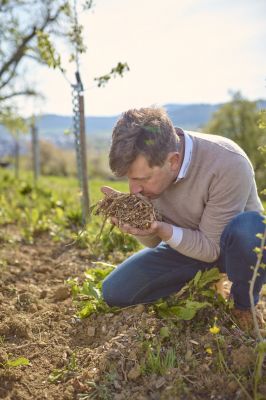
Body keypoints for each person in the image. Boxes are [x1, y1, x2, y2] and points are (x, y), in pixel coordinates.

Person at [101, 107, 266, 330]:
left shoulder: (227, 162)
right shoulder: (147, 168)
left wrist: (162, 229)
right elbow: (155, 240)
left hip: (231, 250)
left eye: (142, 179)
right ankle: (199, 288)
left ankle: (243, 305)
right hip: (185, 245)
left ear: (173, 161)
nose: (134, 189)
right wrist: (141, 222)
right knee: (115, 291)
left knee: (250, 228)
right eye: (130, 179)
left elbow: (211, 249)